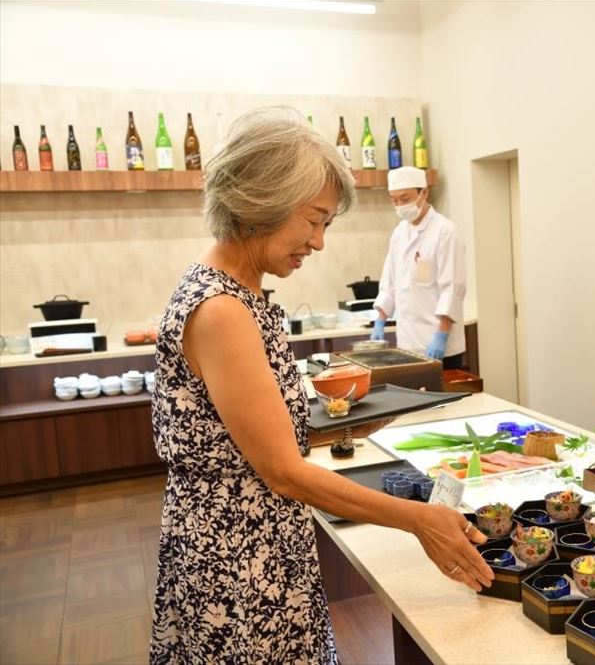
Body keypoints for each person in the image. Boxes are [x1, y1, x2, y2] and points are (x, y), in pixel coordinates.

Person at [150, 108, 492, 664]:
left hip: (255, 538)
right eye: (313, 221)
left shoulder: (241, 293)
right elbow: (281, 470)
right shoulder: (222, 308)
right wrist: (420, 520)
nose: (319, 242)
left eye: (325, 224)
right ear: (260, 201)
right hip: (239, 555)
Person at [370, 166, 467, 369]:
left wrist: (440, 335)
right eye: (394, 200)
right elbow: (390, 283)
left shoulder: (445, 232)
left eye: (405, 199)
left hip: (441, 346)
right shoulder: (399, 233)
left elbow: (452, 290)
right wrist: (380, 321)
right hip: (408, 344)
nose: (399, 205)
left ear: (424, 192)